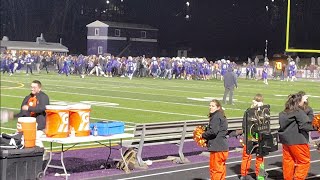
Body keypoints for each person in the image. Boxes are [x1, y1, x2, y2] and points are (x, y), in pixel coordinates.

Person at [278, 93, 316, 180]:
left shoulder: (283, 113)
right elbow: (305, 126)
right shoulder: (298, 112)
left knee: (288, 161)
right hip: (298, 141)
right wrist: (316, 126)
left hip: (285, 141)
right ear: (298, 102)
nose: (305, 102)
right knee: (304, 162)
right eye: (303, 101)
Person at [14, 80, 50, 147]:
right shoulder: (28, 97)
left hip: (40, 125)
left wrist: (29, 108)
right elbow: (23, 110)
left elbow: (42, 108)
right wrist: (14, 116)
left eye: (34, 87)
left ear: (39, 88)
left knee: (36, 138)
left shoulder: (44, 97)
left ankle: (43, 153)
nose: (32, 89)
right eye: (31, 87)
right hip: (27, 124)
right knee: (20, 138)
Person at [202, 99, 229, 180]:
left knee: (215, 170)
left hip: (217, 148)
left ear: (218, 107)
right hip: (223, 147)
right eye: (210, 105)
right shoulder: (221, 115)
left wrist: (203, 135)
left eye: (213, 106)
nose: (210, 107)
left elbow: (213, 131)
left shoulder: (216, 117)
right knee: (221, 169)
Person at [240, 94, 265, 180]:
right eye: (257, 101)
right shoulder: (248, 111)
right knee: (247, 156)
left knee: (260, 157)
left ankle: (260, 175)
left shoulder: (264, 112)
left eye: (260, 102)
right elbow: (244, 125)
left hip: (260, 137)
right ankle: (244, 174)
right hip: (249, 137)